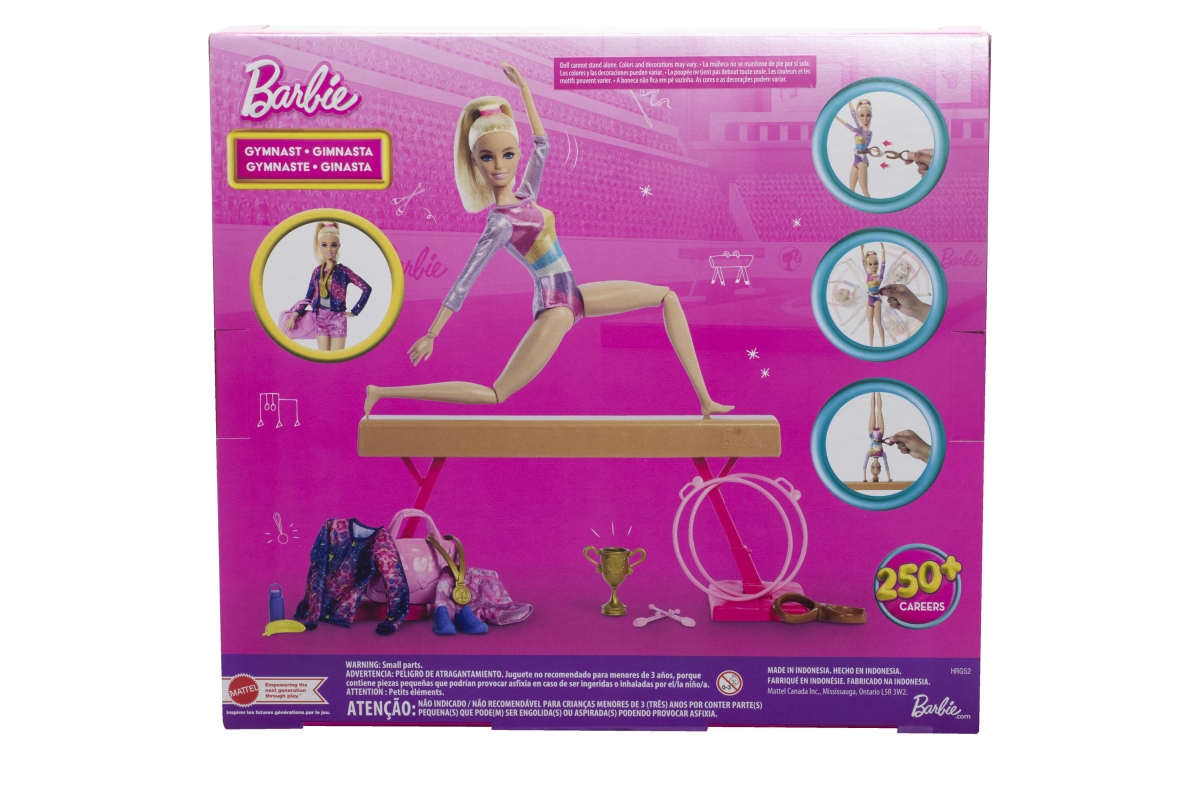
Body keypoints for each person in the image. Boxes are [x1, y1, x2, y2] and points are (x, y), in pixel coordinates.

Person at [365, 63, 731, 417]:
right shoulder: (500, 223)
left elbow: (542, 144)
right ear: (475, 163)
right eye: (487, 158)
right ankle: (383, 393)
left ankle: (705, 400)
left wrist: (524, 89)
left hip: (577, 294)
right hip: (556, 304)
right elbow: (465, 281)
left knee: (666, 296)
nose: (499, 165)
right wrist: (432, 334)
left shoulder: (526, 195)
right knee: (498, 393)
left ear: (517, 154)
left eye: (507, 154)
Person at [284, 222, 371, 351]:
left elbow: (366, 288)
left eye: (333, 245)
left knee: (337, 357)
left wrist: (355, 311)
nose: (329, 250)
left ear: (339, 246)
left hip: (338, 318)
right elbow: (308, 297)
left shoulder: (343, 271)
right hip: (321, 318)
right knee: (323, 357)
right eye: (324, 245)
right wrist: (294, 316)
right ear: (319, 246)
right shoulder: (317, 271)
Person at [835, 99, 873, 196]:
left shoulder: (867, 133)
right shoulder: (860, 128)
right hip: (855, 160)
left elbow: (852, 128)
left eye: (868, 115)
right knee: (851, 189)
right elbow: (853, 115)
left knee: (865, 191)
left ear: (871, 116)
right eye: (862, 115)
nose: (865, 118)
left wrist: (836, 117)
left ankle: (870, 204)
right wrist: (849, 100)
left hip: (862, 161)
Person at [863, 392, 892, 482]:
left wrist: (864, 478)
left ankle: (873, 391)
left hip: (872, 433)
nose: (876, 465)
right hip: (880, 433)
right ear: (880, 466)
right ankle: (878, 390)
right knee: (879, 411)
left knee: (872, 411)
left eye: (873, 467)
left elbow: (864, 466)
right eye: (878, 467)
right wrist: (889, 478)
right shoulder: (882, 454)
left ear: (871, 465)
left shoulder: (869, 454)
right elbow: (887, 466)